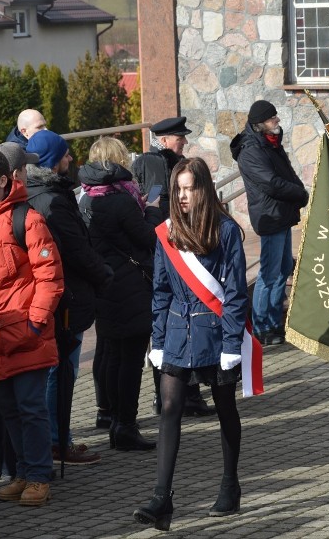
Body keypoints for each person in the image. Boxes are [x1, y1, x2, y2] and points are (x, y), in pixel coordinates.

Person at [133, 157, 249, 530]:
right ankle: (161, 498)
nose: (183, 196)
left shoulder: (226, 230)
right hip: (177, 334)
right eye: (178, 189)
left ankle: (230, 484)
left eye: (190, 187)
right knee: (169, 406)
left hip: (215, 335)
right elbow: (161, 290)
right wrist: (158, 338)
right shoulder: (166, 232)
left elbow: (234, 294)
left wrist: (233, 343)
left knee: (225, 407)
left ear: (204, 188)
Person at [26, 130, 112, 466]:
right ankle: (57, 441)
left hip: (53, 297)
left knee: (53, 372)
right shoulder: (51, 199)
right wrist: (104, 276)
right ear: (51, 160)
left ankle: (53, 439)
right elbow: (78, 249)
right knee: (60, 373)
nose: (71, 159)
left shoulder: (38, 193)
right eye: (64, 154)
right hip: (63, 300)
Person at [0, 148, 64, 506]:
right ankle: (22, 471)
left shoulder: (27, 218)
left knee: (31, 407)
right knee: (8, 410)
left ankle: (38, 476)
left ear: (3, 181)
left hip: (27, 335)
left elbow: (50, 278)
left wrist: (35, 324)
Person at [78, 137, 163, 452]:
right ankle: (126, 425)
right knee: (130, 360)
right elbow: (147, 239)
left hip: (105, 284)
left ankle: (113, 417)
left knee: (112, 354)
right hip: (130, 285)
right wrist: (152, 212)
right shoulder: (122, 200)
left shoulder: (86, 199)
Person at [131, 116, 214, 417]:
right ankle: (173, 396)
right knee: (173, 324)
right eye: (180, 137)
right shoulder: (155, 163)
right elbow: (153, 204)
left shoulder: (167, 161)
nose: (184, 142)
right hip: (170, 249)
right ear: (164, 140)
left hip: (175, 244)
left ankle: (185, 393)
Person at [231, 100, 309, 346]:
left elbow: (288, 172)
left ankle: (274, 323)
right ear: (260, 123)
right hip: (271, 216)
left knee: (283, 268)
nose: (277, 120)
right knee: (269, 272)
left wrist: (300, 190)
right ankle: (263, 326)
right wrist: (298, 193)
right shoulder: (251, 150)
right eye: (272, 118)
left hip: (282, 214)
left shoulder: (271, 143)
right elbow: (271, 183)